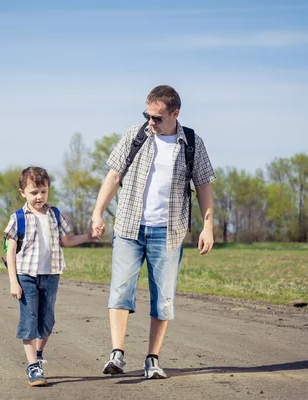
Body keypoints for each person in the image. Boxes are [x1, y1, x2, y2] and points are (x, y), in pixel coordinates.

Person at [90, 85, 216, 379]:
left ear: (175, 114)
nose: (151, 122)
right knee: (120, 290)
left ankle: (152, 359)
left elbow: (205, 185)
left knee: (164, 298)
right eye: (147, 115)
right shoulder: (136, 135)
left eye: (157, 117)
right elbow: (114, 175)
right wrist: (97, 212)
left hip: (169, 232)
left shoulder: (192, 143)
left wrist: (207, 226)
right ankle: (117, 354)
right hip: (129, 228)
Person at [4, 166, 91, 387]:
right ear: (22, 192)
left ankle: (39, 354)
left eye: (43, 191)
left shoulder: (54, 214)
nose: (39, 196)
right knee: (29, 319)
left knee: (47, 321)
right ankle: (33, 366)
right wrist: (13, 281)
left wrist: (88, 236)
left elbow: (66, 241)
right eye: (34, 192)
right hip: (26, 276)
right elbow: (10, 252)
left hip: (51, 275)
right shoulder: (18, 218)